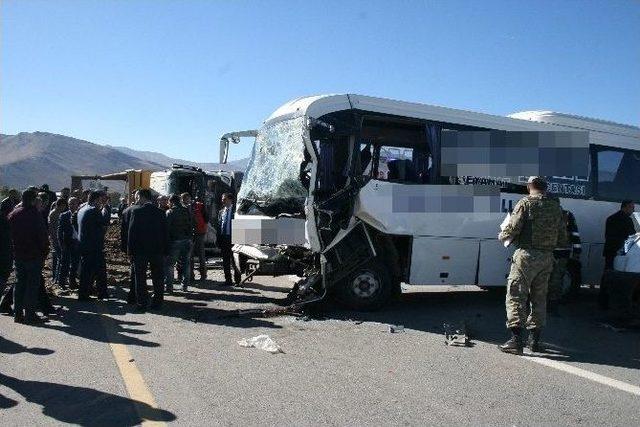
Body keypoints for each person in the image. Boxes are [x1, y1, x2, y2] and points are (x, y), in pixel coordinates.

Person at [497, 177, 567, 355]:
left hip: (526, 256)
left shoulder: (525, 203)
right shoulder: (555, 207)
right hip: (547, 258)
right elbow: (562, 238)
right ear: (545, 188)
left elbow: (512, 229)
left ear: (529, 187)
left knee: (516, 295)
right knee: (539, 298)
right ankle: (534, 341)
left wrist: (502, 236)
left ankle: (515, 341)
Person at [7, 190, 49, 324]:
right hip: (34, 255)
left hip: (18, 255)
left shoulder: (14, 214)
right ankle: (30, 315)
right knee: (32, 286)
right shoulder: (35, 215)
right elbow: (42, 237)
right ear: (32, 200)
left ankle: (18, 314)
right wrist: (44, 252)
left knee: (19, 284)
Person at [127, 189, 168, 311]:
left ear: (141, 196)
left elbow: (131, 233)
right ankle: (158, 303)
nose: (136, 199)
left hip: (140, 252)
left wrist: (130, 252)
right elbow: (166, 233)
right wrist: (166, 251)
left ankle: (142, 303)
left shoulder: (137, 212)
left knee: (140, 278)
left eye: (137, 197)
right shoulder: (161, 212)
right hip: (157, 251)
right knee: (158, 277)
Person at [600, 200, 636, 308]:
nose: (633, 210)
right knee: (619, 277)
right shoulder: (627, 220)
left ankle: (603, 301)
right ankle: (615, 302)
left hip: (609, 251)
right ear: (625, 207)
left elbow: (607, 236)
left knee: (607, 274)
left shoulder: (610, 218)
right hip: (620, 253)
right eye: (632, 207)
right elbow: (632, 236)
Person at [77, 191, 111, 300]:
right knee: (100, 271)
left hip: (84, 245)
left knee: (87, 271)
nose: (102, 202)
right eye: (101, 200)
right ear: (97, 200)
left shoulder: (82, 209)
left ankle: (85, 293)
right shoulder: (93, 210)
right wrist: (106, 208)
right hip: (94, 246)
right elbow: (105, 221)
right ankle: (101, 293)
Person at [547, 208, 582, 309]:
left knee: (542, 277)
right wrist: (577, 251)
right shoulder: (567, 214)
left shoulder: (542, 212)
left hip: (544, 252)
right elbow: (574, 233)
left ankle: (539, 301)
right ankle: (553, 302)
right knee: (557, 277)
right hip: (562, 253)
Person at [165, 194, 193, 293]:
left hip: (175, 241)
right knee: (186, 264)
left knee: (169, 265)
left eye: (168, 201)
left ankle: (169, 287)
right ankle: (185, 286)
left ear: (172, 202)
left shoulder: (170, 212)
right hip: (187, 240)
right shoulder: (186, 210)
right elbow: (191, 224)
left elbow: (166, 229)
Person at [217, 192, 241, 287]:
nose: (222, 201)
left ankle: (238, 281)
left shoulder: (237, 211)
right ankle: (228, 280)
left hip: (234, 239)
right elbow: (219, 226)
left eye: (224, 199)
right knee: (225, 261)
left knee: (235, 261)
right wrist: (218, 239)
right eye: (222, 199)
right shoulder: (221, 212)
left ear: (230, 200)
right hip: (224, 239)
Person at [58, 197, 81, 289]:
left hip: (77, 242)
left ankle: (72, 282)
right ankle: (62, 282)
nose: (72, 205)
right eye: (71, 203)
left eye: (74, 203)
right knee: (65, 263)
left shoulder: (81, 214)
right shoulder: (64, 215)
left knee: (75, 263)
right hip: (67, 242)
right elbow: (59, 230)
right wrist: (61, 243)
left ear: (78, 204)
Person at [120, 197, 139, 304]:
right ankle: (136, 295)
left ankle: (132, 295)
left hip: (130, 245)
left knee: (134, 271)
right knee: (138, 272)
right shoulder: (140, 211)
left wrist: (125, 248)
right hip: (139, 246)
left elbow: (123, 232)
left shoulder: (126, 211)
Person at [48, 198, 68, 284]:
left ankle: (56, 278)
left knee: (57, 259)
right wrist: (56, 239)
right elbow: (52, 228)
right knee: (60, 259)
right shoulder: (54, 214)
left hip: (57, 239)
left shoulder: (57, 213)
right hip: (56, 240)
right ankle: (57, 279)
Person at [191, 196, 209, 283]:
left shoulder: (190, 207)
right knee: (201, 255)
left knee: (190, 256)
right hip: (200, 233)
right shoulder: (202, 207)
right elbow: (206, 220)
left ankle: (191, 275)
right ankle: (203, 275)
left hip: (192, 233)